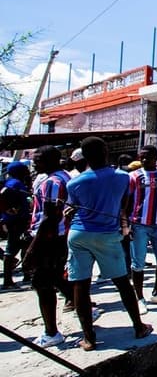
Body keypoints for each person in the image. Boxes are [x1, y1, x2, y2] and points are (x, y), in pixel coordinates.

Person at [66, 136, 152, 351]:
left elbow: (72, 209)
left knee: (81, 285)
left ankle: (89, 338)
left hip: (79, 234)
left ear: (84, 157)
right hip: (107, 234)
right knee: (122, 281)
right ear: (106, 152)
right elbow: (125, 204)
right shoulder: (123, 177)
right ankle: (138, 326)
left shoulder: (74, 182)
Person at [23, 145, 74, 347]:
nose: (35, 164)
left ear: (51, 160)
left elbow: (49, 218)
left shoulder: (53, 182)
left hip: (49, 239)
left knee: (42, 283)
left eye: (38, 160)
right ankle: (83, 305)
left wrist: (32, 249)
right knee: (56, 278)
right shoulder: (64, 177)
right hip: (58, 237)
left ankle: (51, 332)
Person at [126, 145, 157, 312]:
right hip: (138, 224)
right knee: (138, 264)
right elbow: (126, 201)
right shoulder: (133, 176)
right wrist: (126, 224)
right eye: (141, 157)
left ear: (156, 158)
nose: (144, 160)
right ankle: (140, 298)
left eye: (147, 157)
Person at [2, 161, 32, 289]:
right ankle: (8, 281)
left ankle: (27, 274)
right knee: (11, 249)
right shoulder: (14, 184)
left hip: (17, 220)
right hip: (16, 221)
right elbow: (3, 196)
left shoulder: (14, 182)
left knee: (25, 245)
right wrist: (11, 210)